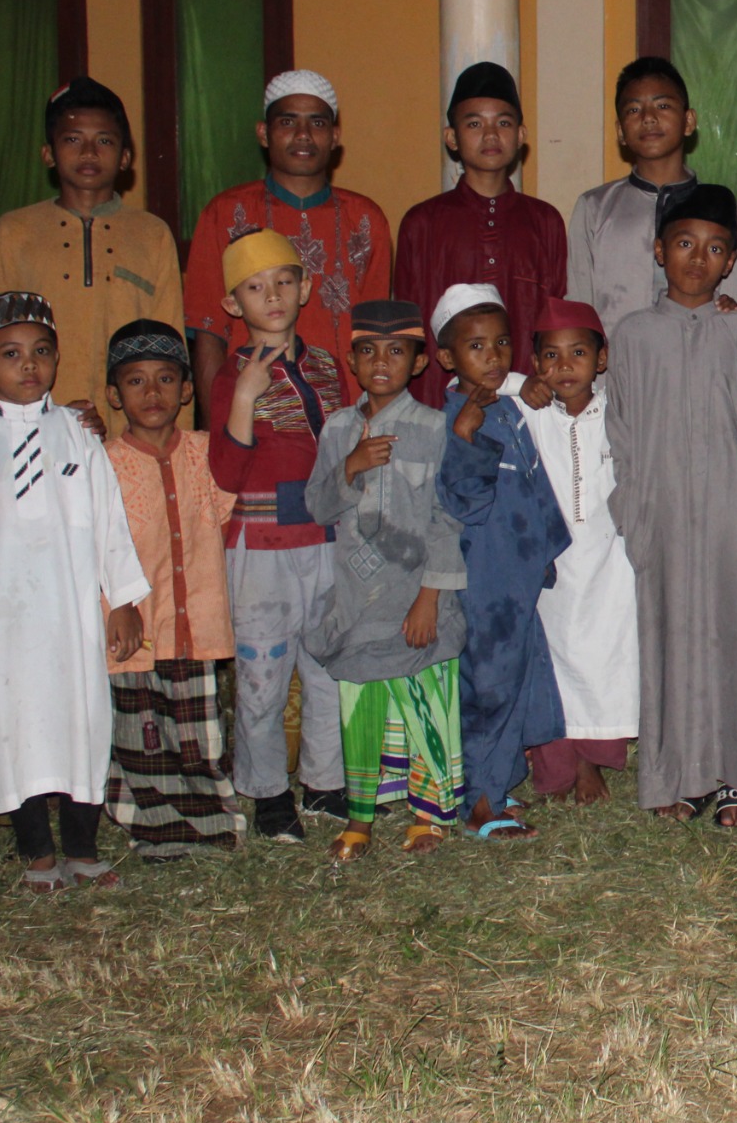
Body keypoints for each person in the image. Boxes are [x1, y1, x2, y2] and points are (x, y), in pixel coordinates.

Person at [0, 293, 150, 894]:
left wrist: (122, 599)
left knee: (81, 721)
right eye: (10, 354)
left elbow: (109, 520)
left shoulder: (77, 434)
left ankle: (82, 850)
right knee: (10, 723)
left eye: (41, 351)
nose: (29, 365)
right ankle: (37, 855)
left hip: (69, 615)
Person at [610, 185, 737, 825]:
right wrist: (634, 514)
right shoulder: (632, 335)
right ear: (659, 251)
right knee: (671, 637)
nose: (698, 259)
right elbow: (621, 433)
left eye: (714, 249)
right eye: (684, 243)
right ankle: (680, 774)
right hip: (662, 514)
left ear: (731, 261)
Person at [303, 298, 469, 860]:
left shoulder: (433, 428)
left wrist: (429, 598)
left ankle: (427, 815)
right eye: (369, 351)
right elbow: (318, 506)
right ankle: (360, 817)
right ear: (351, 361)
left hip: (416, 596)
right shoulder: (337, 429)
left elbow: (447, 519)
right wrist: (350, 467)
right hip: (358, 603)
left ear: (419, 363)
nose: (381, 362)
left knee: (425, 702)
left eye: (396, 351)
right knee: (362, 710)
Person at [207, 228, 349, 843]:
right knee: (263, 676)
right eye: (255, 287)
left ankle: (325, 781)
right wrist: (244, 397)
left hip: (325, 539)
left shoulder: (326, 368)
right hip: (262, 547)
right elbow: (224, 473)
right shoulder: (230, 377)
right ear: (232, 303)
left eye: (284, 282)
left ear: (305, 288)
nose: (272, 296)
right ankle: (265, 791)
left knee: (327, 666)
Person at [432, 284, 566, 841]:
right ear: (447, 358)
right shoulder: (454, 418)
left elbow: (532, 483)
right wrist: (466, 438)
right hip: (483, 576)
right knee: (487, 685)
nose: (493, 356)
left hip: (517, 572)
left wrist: (545, 548)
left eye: (502, 343)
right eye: (476, 346)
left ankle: (500, 779)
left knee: (516, 679)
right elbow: (462, 502)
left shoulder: (506, 408)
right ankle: (480, 801)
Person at [101, 320, 238, 860]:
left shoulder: (206, 453)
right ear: (115, 394)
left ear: (185, 390)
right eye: (135, 381)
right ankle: (156, 830)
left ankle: (211, 827)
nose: (152, 392)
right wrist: (117, 605)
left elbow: (226, 511)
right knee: (143, 735)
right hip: (135, 627)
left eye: (165, 378)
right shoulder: (101, 463)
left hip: (196, 623)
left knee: (199, 736)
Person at [0, 77, 183, 428]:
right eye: (73, 140)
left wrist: (173, 443)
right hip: (36, 429)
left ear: (125, 157)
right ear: (48, 153)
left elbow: (171, 349)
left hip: (132, 433)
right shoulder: (15, 233)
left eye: (104, 141)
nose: (89, 152)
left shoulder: (152, 234)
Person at [184, 69, 393, 407]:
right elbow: (209, 333)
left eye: (317, 123)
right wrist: (216, 430)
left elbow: (375, 337)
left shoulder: (367, 220)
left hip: (347, 415)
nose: (303, 135)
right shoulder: (224, 214)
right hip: (253, 417)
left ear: (335, 136)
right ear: (263, 133)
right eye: (287, 122)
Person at [517, 298, 642, 808]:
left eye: (578, 353)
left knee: (604, 658)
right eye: (551, 355)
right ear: (535, 363)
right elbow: (474, 384)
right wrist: (521, 386)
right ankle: (554, 763)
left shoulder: (618, 410)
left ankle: (591, 759)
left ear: (601, 359)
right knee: (554, 660)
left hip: (609, 561)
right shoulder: (529, 410)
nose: (564, 365)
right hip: (551, 563)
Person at [395, 62, 570, 407]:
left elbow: (555, 320)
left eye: (503, 123)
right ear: (452, 137)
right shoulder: (422, 222)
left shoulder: (544, 221)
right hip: (440, 405)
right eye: (474, 123)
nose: (490, 135)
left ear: (520, 135)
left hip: (527, 406)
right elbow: (407, 329)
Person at [566, 57, 737, 332]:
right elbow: (578, 307)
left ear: (688, 121)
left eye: (663, 106)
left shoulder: (723, 209)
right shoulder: (594, 207)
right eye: (633, 109)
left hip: (700, 356)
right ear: (620, 131)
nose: (648, 118)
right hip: (614, 357)